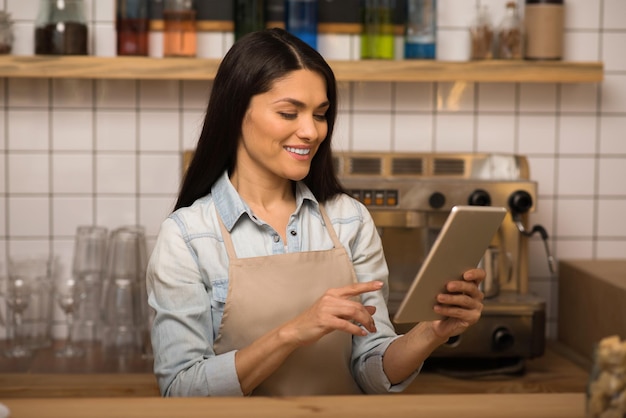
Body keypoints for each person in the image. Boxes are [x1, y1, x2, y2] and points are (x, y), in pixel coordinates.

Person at [146, 28, 485, 397]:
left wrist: (429, 332)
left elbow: (371, 370)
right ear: (235, 111)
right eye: (289, 113)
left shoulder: (349, 221)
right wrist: (292, 333)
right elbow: (181, 390)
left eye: (320, 115)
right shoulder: (188, 237)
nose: (310, 131)